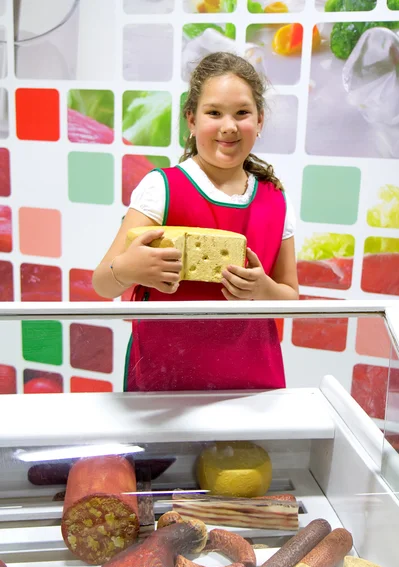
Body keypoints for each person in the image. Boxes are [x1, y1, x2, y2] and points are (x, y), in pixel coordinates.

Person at [92, 51, 299, 393]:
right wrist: (129, 268)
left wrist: (263, 290)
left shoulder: (275, 198)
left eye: (242, 113)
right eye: (214, 113)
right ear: (191, 119)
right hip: (165, 383)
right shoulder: (161, 188)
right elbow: (102, 283)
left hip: (253, 383)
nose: (229, 126)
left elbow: (290, 298)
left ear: (260, 121)